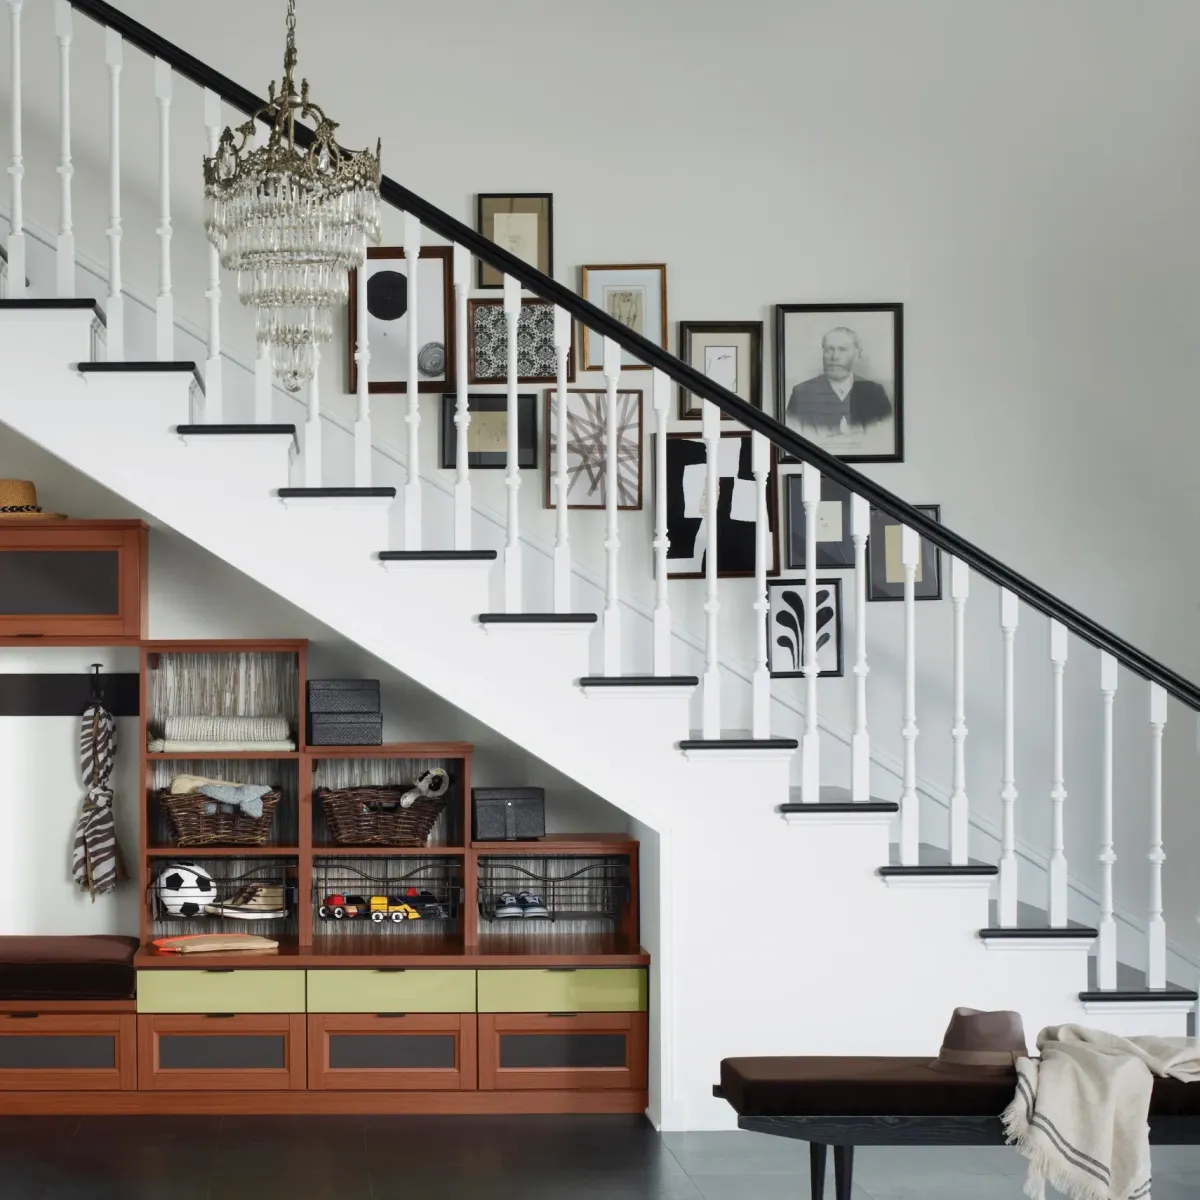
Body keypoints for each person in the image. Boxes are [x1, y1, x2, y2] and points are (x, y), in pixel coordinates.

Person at [786, 326, 892, 435]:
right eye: (829, 350)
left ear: (857, 355)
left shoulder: (875, 392)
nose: (835, 357)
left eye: (843, 349)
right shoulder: (801, 393)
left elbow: (886, 438)